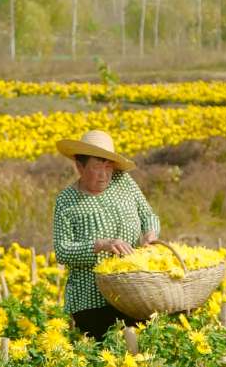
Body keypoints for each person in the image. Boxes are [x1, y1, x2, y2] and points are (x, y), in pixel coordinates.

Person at [53, 130, 160, 340]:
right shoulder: (66, 201)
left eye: (108, 166)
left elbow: (147, 214)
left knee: (140, 353)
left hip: (133, 292)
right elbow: (62, 251)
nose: (104, 174)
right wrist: (100, 245)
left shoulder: (123, 182)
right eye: (96, 167)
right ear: (80, 166)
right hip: (91, 300)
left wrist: (150, 233)